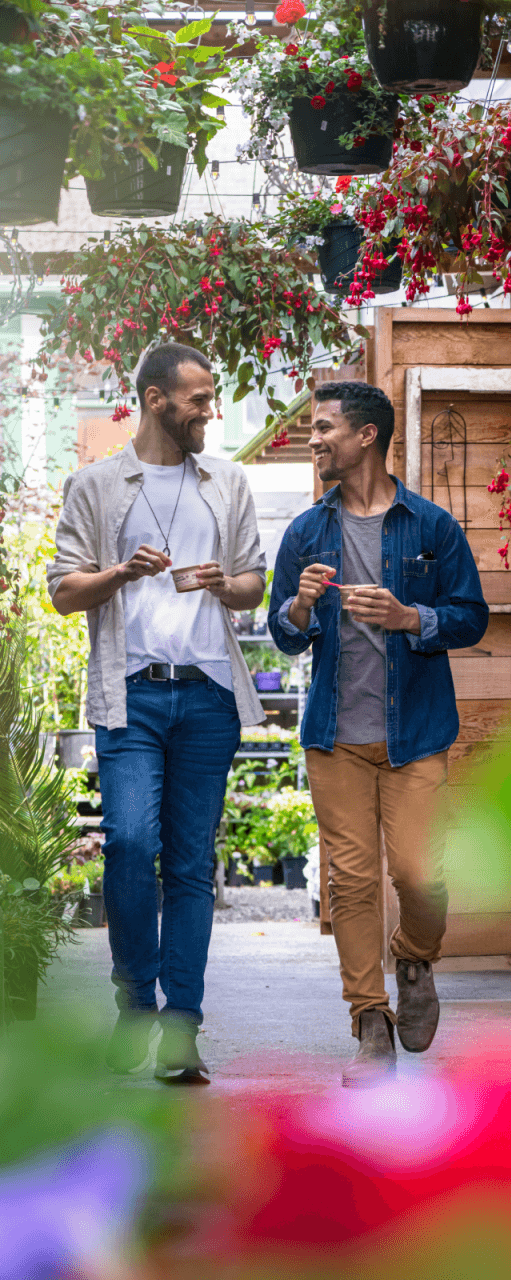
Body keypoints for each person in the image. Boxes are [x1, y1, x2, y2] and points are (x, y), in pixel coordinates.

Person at [47, 343, 267, 1084]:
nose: (210, 411)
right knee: (130, 843)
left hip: (207, 694)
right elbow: (62, 591)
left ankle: (181, 1028)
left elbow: (251, 585)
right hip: (130, 693)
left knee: (192, 868)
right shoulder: (98, 486)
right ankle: (135, 998)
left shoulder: (226, 481)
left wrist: (220, 584)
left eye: (210, 398)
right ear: (153, 400)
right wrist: (119, 571)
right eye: (199, 400)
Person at [268, 380, 488, 1087]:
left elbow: (471, 616)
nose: (314, 439)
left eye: (324, 427)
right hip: (334, 735)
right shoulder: (306, 531)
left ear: (366, 436)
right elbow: (283, 636)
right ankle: (370, 1023)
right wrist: (300, 606)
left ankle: (415, 959)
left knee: (420, 875)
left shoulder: (431, 527)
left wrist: (409, 619)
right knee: (351, 883)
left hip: (416, 733)